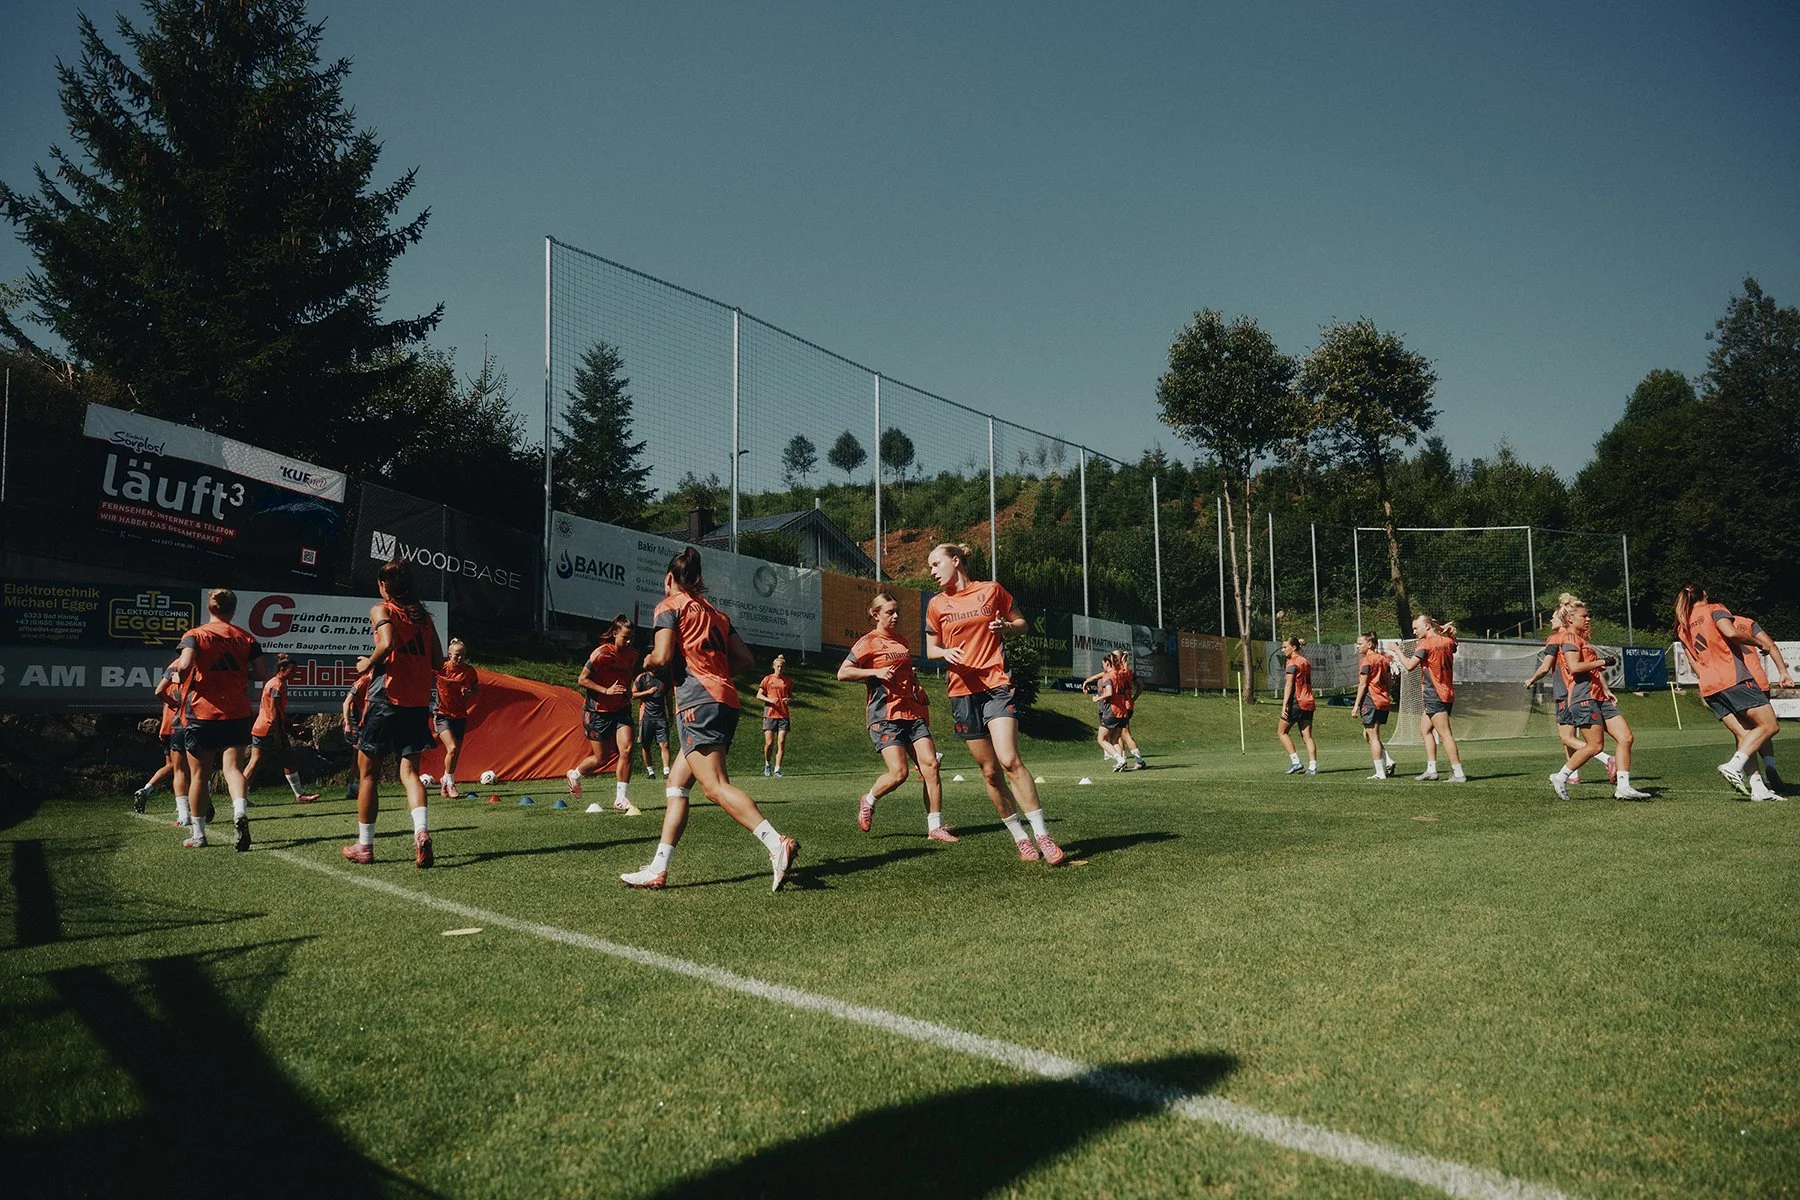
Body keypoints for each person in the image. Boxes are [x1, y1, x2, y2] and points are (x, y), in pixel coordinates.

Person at [621, 548, 799, 890]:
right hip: (724, 699)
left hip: (697, 702)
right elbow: (745, 659)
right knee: (676, 785)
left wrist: (644, 663)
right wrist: (715, 675)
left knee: (715, 786)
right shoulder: (716, 613)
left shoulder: (668, 606)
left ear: (670, 579)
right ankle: (659, 867)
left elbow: (661, 656)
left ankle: (777, 844)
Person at [924, 541, 1066, 865]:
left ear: (955, 561)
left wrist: (1006, 627)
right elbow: (931, 648)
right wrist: (944, 652)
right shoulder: (936, 604)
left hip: (996, 684)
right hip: (962, 693)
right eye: (930, 567)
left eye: (935, 564)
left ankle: (1043, 835)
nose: (932, 571)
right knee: (989, 772)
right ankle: (1021, 838)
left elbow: (1022, 624)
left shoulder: (991, 590)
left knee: (1009, 760)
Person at [342, 561, 444, 867]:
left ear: (384, 586)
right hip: (415, 702)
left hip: (386, 698)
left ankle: (365, 846)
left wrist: (367, 664)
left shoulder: (381, 609)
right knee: (410, 773)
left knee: (368, 774)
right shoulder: (424, 618)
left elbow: (386, 645)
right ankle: (421, 832)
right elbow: (438, 660)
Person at [838, 590, 955, 841]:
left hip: (912, 713)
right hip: (885, 715)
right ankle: (868, 800)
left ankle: (935, 828)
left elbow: (905, 674)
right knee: (899, 773)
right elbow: (843, 673)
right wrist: (875, 672)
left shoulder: (902, 641)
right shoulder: (867, 641)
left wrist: (916, 686)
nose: (895, 616)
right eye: (890, 612)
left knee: (931, 765)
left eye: (897, 611)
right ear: (875, 614)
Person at [169, 588, 269, 850]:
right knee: (233, 768)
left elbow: (186, 663)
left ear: (210, 608)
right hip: (236, 712)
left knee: (199, 774)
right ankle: (239, 813)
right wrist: (237, 676)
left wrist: (178, 673)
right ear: (233, 610)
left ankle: (199, 835)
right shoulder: (246, 638)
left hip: (203, 713)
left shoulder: (195, 635)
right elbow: (261, 673)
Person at [1674, 584, 1782, 800]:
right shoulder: (1714, 608)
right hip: (1733, 678)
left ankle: (1758, 788)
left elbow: (1693, 662)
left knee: (1745, 734)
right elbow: (1731, 632)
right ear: (1704, 594)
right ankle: (1734, 765)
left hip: (1709, 686)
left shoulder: (1682, 626)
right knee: (1770, 725)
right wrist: (1759, 643)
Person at [1546, 599, 1650, 801]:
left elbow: (1591, 669)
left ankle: (1623, 787)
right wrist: (1604, 661)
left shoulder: (1581, 640)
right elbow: (1575, 667)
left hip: (1598, 697)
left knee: (1626, 737)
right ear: (1569, 618)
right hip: (1583, 697)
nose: (1588, 619)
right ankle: (1561, 777)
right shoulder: (1568, 638)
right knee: (1595, 746)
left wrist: (1605, 689)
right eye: (1584, 616)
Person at [1523, 599, 1614, 788]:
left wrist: (1531, 679)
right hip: (1580, 691)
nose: (1550, 621)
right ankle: (1573, 775)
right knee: (1569, 738)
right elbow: (1593, 668)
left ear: (1565, 619)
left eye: (1554, 617)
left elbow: (1546, 667)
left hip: (1566, 692)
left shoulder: (1556, 639)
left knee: (1567, 737)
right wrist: (1606, 689)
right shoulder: (1577, 638)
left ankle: (1608, 759)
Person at [567, 615, 642, 815]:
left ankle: (620, 798)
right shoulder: (600, 654)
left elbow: (627, 678)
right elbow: (582, 680)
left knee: (627, 749)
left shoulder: (633, 655)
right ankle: (575, 774)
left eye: (631, 638)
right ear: (615, 633)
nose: (628, 642)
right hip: (597, 712)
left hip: (621, 709)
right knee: (601, 758)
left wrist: (627, 691)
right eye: (625, 637)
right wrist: (606, 690)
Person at [1397, 614, 1467, 782]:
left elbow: (1409, 666)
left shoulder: (1425, 643)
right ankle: (1431, 770)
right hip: (1445, 691)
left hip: (1435, 693)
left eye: (1416, 628)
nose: (1414, 632)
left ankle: (1458, 773)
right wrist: (1447, 632)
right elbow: (1454, 645)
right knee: (1425, 729)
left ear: (1427, 627)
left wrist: (1396, 650)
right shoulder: (1447, 641)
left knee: (1445, 734)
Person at [244, 654, 322, 803]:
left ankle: (241, 797)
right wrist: (279, 735)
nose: (294, 674)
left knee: (273, 761)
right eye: (292, 671)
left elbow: (278, 711)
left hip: (263, 728)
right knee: (262, 762)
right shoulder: (277, 685)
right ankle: (299, 795)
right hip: (269, 729)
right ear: (282, 669)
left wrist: (290, 726)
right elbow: (274, 712)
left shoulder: (275, 683)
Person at [1735, 614, 1794, 790]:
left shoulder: (1714, 622)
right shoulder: (1747, 622)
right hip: (1760, 681)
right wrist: (1783, 672)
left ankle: (1755, 782)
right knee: (1764, 728)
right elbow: (1771, 645)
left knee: (1744, 732)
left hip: (1737, 682)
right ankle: (1770, 765)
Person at [138, 665, 191, 821]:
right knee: (183, 767)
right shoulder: (187, 669)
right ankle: (185, 806)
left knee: (175, 767)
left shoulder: (172, 672)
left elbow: (161, 692)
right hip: (182, 724)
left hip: (168, 725)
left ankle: (149, 790)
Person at [432, 637, 479, 798]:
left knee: (456, 752)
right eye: (457, 655)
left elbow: (475, 690)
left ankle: (445, 779)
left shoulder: (469, 671)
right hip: (442, 714)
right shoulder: (441, 668)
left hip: (460, 715)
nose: (460, 658)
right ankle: (451, 782)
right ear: (449, 654)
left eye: (463, 655)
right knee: (451, 748)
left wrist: (469, 693)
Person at [1352, 632, 1397, 779]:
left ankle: (1380, 772)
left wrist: (1355, 705)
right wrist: (1386, 694)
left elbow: (1363, 684)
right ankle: (1388, 760)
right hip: (1383, 700)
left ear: (1370, 644)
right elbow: (1390, 680)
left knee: (1373, 737)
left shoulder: (1367, 661)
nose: (1357, 646)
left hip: (1371, 700)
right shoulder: (1384, 659)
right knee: (1367, 734)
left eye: (1360, 643)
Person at [1276, 636, 1318, 775]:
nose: (1282, 650)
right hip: (1309, 701)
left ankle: (1295, 762)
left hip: (1296, 701)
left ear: (1293, 648)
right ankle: (1312, 767)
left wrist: (1284, 705)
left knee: (1282, 732)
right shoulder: (1304, 661)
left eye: (1284, 647)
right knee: (1307, 736)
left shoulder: (1292, 663)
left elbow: (1289, 685)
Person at [1081, 653, 1128, 770]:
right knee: (1115, 739)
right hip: (1123, 712)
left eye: (1103, 664)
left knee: (1101, 739)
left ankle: (1120, 760)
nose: (1103, 667)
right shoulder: (1120, 674)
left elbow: (1109, 693)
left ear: (1107, 663)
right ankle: (1122, 761)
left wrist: (1098, 698)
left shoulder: (1108, 676)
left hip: (1112, 711)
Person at [756, 654, 794, 777]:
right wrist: (770, 700)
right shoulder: (767, 679)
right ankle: (767, 764)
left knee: (781, 741)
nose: (780, 669)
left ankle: (777, 769)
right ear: (773, 667)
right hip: (770, 714)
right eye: (778, 667)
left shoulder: (787, 681)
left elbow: (791, 696)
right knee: (769, 743)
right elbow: (759, 695)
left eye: (782, 667)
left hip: (783, 715)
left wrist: (789, 700)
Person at [633, 666, 673, 778]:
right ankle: (650, 772)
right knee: (645, 745)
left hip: (661, 716)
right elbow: (633, 694)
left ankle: (666, 771)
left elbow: (669, 697)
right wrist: (648, 692)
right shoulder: (642, 677)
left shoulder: (665, 678)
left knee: (664, 744)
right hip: (645, 717)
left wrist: (671, 714)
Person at [1111, 652, 1147, 769]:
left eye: (1114, 657)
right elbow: (1140, 685)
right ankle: (1122, 760)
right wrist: (1133, 699)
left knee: (1125, 734)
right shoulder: (1129, 672)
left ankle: (1139, 761)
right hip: (1128, 705)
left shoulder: (1119, 673)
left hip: (1122, 707)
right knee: (1119, 733)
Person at [341, 670, 372, 802]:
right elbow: (346, 703)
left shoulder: (377, 682)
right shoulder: (362, 681)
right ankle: (352, 787)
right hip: (356, 723)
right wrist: (348, 723)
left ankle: (355, 787)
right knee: (357, 756)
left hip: (365, 722)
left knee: (363, 756)